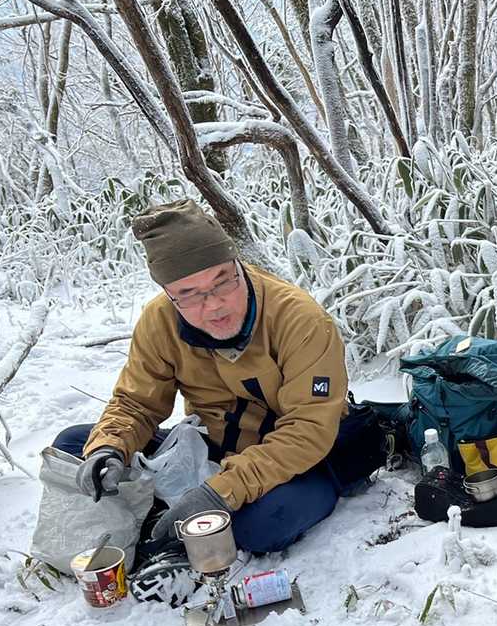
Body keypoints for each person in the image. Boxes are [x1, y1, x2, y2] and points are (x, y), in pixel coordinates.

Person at [55, 199, 381, 572]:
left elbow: (307, 431)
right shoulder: (158, 321)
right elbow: (136, 403)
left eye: (222, 281)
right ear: (169, 293)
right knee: (77, 447)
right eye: (189, 294)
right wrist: (110, 448)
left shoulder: (300, 319)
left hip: (295, 461)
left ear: (238, 265)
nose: (213, 305)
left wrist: (220, 493)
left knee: (263, 525)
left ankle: (179, 516)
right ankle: (176, 515)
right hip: (211, 448)